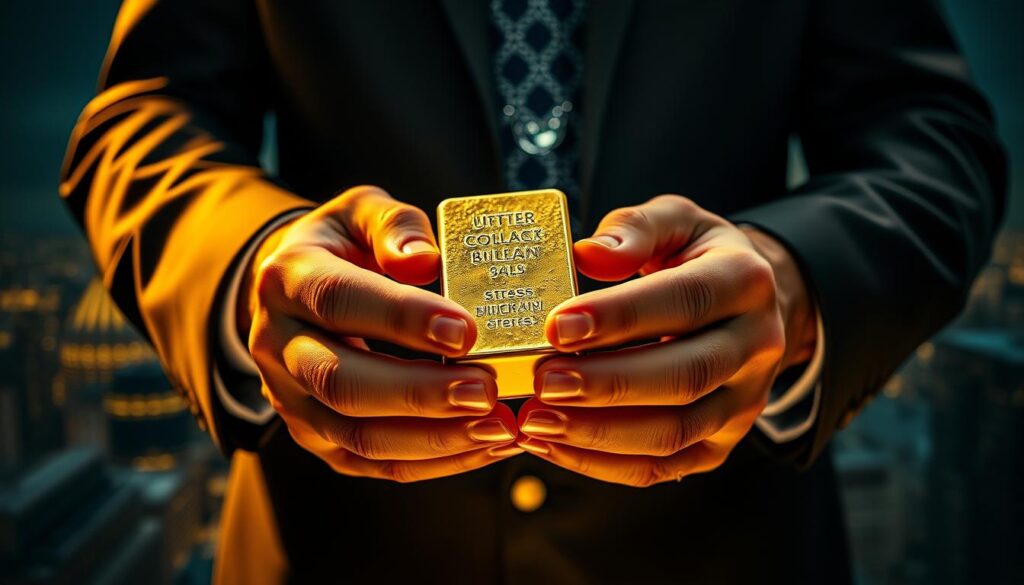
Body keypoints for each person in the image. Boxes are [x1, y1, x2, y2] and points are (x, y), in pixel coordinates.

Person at [60, 0, 1005, 583]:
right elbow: (142, 117)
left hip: (724, 547)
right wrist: (248, 266)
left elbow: (931, 134)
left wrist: (794, 284)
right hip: (337, 548)